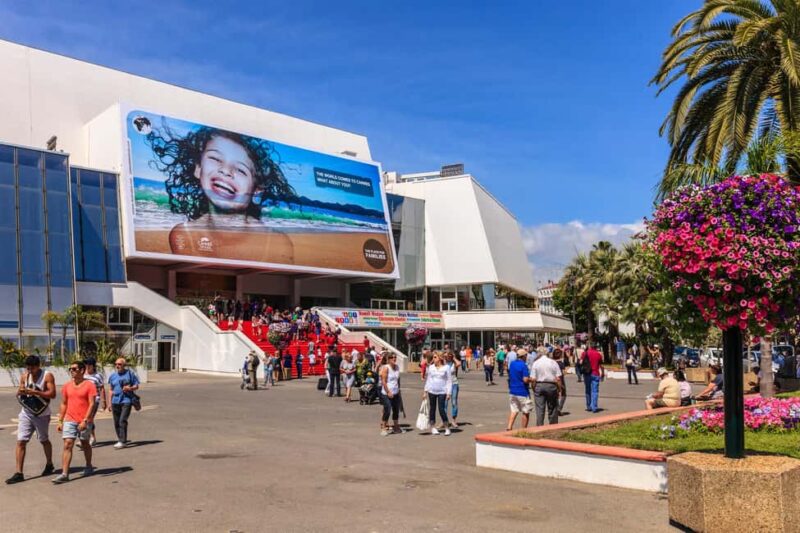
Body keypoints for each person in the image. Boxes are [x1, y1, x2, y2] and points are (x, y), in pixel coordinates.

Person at [6, 355, 56, 484]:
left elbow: (52, 394)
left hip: (42, 414)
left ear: (38, 366)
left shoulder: (47, 376)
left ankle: (49, 463)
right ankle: (19, 472)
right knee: (21, 441)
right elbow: (19, 393)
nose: (30, 370)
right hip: (26, 413)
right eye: (28, 368)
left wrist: (36, 392)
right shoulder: (24, 376)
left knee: (44, 440)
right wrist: (21, 391)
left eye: (32, 368)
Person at [52, 361, 97, 484]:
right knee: (67, 444)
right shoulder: (67, 386)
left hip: (84, 420)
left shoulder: (89, 385)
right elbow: (64, 403)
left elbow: (92, 404)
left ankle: (88, 465)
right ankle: (64, 474)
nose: (71, 371)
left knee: (84, 443)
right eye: (70, 369)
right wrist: (60, 420)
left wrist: (85, 420)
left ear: (82, 370)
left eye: (74, 369)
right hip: (69, 419)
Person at [108, 358, 140, 449]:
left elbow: (136, 386)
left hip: (127, 400)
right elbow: (110, 390)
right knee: (116, 422)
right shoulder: (113, 376)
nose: (117, 366)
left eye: (119, 364)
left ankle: (122, 441)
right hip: (115, 401)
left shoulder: (130, 374)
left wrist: (130, 388)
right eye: (116, 364)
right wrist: (109, 403)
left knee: (122, 420)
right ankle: (120, 439)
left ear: (124, 365)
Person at [423, 352, 453, 435]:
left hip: (442, 391)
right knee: (432, 409)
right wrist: (425, 392)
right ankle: (433, 427)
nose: (433, 359)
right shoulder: (431, 367)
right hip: (432, 391)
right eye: (433, 357)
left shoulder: (446, 368)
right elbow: (428, 380)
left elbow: (449, 381)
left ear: (440, 358)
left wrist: (449, 393)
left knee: (441, 409)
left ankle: (447, 427)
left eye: (435, 357)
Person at [531, 352, 563, 426]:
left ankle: (539, 426)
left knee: (539, 409)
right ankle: (553, 425)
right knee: (553, 408)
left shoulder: (536, 363)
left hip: (539, 385)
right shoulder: (553, 362)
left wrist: (534, 388)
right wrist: (559, 389)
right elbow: (558, 378)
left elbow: (533, 379)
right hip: (551, 385)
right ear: (548, 354)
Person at [83, 357, 107, 446]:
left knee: (89, 418)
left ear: (93, 366)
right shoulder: (82, 374)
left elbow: (102, 388)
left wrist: (104, 401)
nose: (87, 366)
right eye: (86, 364)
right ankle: (92, 437)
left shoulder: (98, 375)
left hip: (94, 400)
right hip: (83, 400)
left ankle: (86, 438)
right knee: (88, 419)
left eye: (89, 364)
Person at [506, 349, 533, 431]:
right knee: (526, 411)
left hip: (512, 390)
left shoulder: (512, 364)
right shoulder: (523, 365)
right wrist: (532, 380)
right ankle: (523, 430)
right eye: (526, 355)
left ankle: (509, 427)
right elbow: (525, 379)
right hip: (522, 391)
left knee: (514, 410)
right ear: (524, 356)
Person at [379, 354, 402, 436]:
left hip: (395, 392)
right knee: (387, 409)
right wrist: (388, 391)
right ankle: (383, 427)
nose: (394, 358)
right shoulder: (386, 368)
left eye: (395, 357)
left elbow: (398, 380)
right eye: (392, 357)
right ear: (388, 359)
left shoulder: (397, 367)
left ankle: (396, 427)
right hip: (386, 393)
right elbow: (384, 381)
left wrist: (399, 390)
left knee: (396, 410)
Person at [581, 343, 604, 413]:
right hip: (595, 374)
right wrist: (602, 373)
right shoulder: (598, 354)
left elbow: (581, 362)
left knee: (588, 390)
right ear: (596, 347)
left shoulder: (585, 353)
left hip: (587, 374)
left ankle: (589, 406)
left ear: (590, 346)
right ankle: (594, 407)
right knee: (595, 391)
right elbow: (601, 365)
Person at [445, 351, 460, 427]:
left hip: (454, 384)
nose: (449, 357)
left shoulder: (454, 364)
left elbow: (459, 363)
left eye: (450, 356)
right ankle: (444, 421)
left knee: (454, 402)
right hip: (445, 386)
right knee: (444, 403)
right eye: (448, 356)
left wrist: (454, 357)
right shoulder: (443, 364)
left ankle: (453, 420)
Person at [553, 349, 568, 416]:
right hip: (560, 380)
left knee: (555, 395)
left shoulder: (552, 362)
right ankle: (559, 408)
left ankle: (555, 408)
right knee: (563, 394)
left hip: (553, 380)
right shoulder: (561, 363)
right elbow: (564, 372)